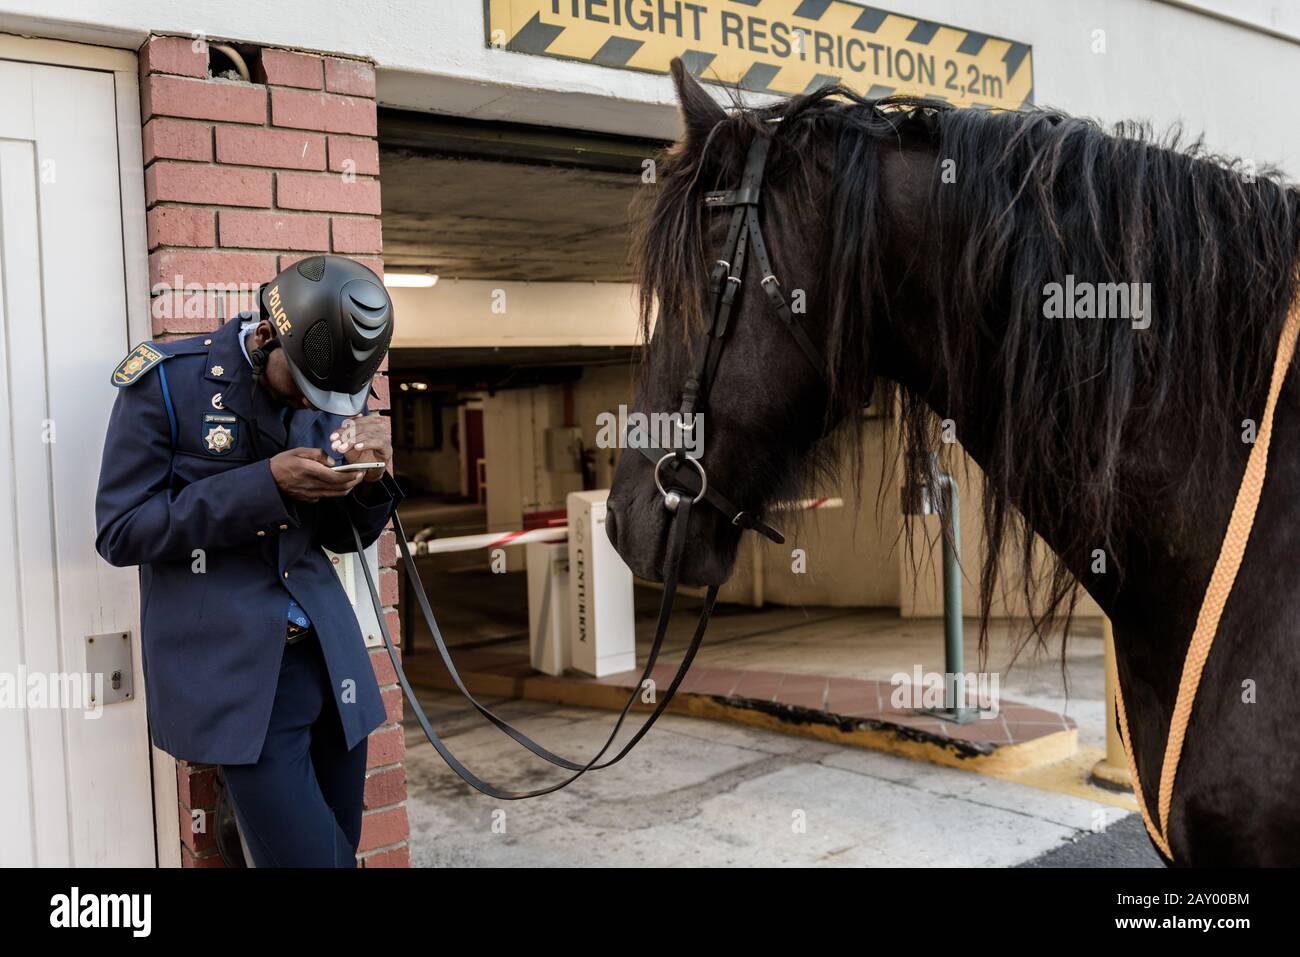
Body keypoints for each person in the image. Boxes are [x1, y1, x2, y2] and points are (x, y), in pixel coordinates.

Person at [95, 255, 403, 867]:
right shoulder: (166, 382)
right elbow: (121, 531)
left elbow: (342, 541)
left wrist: (369, 484)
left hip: (331, 665)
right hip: (242, 682)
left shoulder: (327, 383)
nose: (320, 406)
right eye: (305, 388)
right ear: (266, 336)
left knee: (341, 852)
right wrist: (264, 485)